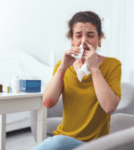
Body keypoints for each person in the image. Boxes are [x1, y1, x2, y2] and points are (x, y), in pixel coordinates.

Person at [33, 11, 122, 150]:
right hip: (64, 138)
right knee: (57, 142)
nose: (84, 41)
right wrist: (62, 68)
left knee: (56, 143)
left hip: (95, 145)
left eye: (91, 35)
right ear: (72, 39)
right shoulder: (63, 66)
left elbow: (109, 107)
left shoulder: (112, 65)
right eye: (78, 35)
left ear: (99, 39)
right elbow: (48, 103)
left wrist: (94, 69)